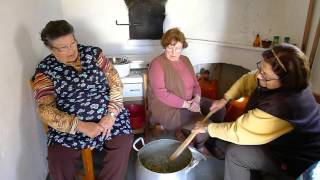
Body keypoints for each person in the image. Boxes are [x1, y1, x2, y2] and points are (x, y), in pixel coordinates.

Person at [192, 44, 320, 180]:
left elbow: (238, 132)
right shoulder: (283, 79)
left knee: (236, 153)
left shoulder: (284, 105)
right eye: (261, 67)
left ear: (285, 80)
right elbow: (247, 80)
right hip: (279, 141)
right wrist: (225, 98)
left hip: (295, 158)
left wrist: (206, 127)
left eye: (265, 75)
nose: (259, 75)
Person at [31, 20, 133, 180]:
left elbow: (115, 81)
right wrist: (80, 126)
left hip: (108, 116)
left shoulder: (94, 54)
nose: (72, 50)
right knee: (57, 157)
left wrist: (111, 114)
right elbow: (45, 109)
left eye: (73, 43)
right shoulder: (45, 69)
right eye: (64, 47)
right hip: (72, 124)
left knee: (123, 142)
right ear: (50, 48)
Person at [147, 27, 225, 159]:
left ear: (182, 47)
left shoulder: (186, 60)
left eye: (177, 48)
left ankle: (211, 143)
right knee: (206, 124)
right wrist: (187, 105)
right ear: (165, 46)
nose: (173, 52)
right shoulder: (157, 64)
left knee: (219, 109)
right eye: (170, 47)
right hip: (168, 107)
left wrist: (197, 99)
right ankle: (200, 145)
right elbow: (161, 93)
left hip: (190, 100)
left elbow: (195, 83)